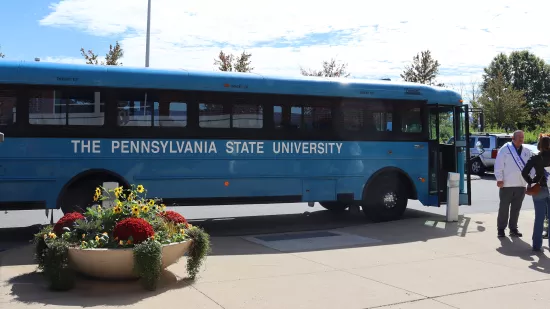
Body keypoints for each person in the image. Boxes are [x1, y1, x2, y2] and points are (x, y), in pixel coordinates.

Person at [494, 130, 533, 237]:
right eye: (519, 137)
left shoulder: (526, 151)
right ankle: (501, 229)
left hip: (521, 185)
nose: (521, 139)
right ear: (513, 138)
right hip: (506, 184)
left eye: (523, 137)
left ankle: (513, 228)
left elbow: (531, 167)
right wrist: (499, 179)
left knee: (516, 209)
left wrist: (531, 182)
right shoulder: (505, 149)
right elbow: (498, 165)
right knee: (504, 208)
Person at [521, 136, 550, 251]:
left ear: (540, 145)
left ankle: (537, 245)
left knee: (539, 218)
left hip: (540, 188)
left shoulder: (536, 158)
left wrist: (531, 182)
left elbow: (524, 172)